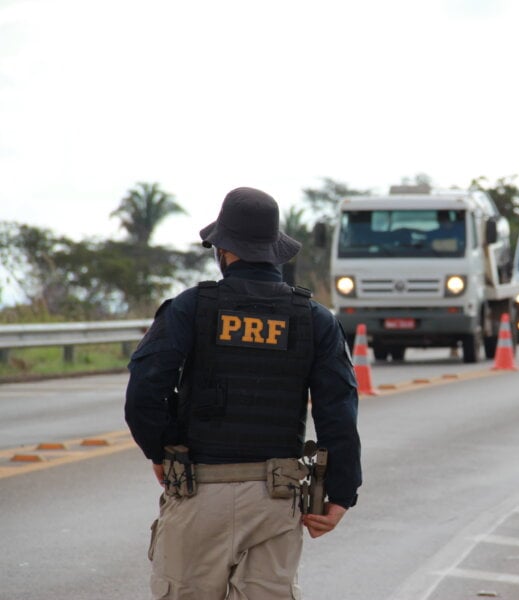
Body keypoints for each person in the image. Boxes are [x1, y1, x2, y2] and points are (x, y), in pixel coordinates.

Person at [125, 187, 362, 599]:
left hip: (198, 491)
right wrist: (340, 493)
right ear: (274, 251)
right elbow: (337, 411)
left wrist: (161, 450)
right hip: (276, 499)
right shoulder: (315, 320)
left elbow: (145, 390)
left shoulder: (190, 307)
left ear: (224, 251)